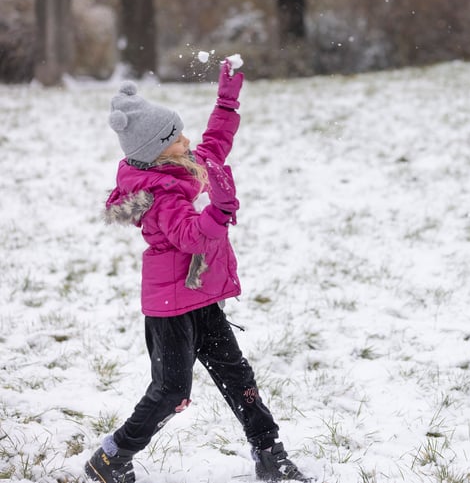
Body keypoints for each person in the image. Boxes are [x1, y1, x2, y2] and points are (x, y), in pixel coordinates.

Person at [85, 61, 310, 483]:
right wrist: (221, 210)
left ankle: (269, 453)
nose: (186, 139)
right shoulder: (158, 195)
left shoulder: (182, 165)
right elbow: (192, 236)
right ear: (156, 151)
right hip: (170, 307)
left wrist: (227, 102)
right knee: (172, 392)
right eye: (175, 137)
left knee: (237, 375)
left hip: (200, 295)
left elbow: (215, 143)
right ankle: (112, 456)